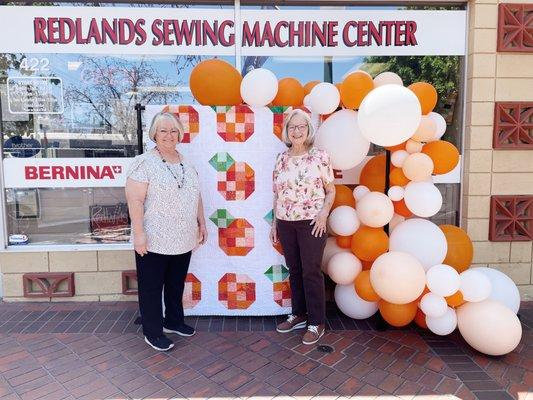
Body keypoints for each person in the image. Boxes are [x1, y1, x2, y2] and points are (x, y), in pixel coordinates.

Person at [125, 112, 207, 352]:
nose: (169, 135)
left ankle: (173, 321)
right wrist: (139, 234)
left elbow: (196, 194)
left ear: (179, 134)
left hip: (183, 236)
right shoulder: (144, 162)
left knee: (175, 283)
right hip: (154, 238)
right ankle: (152, 332)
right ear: (154, 134)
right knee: (151, 287)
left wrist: (201, 222)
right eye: (163, 130)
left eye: (173, 131)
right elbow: (135, 200)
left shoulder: (186, 162)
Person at [271, 108, 336, 345]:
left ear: (309, 129)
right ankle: (298, 313)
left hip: (312, 223)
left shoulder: (320, 157)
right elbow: (277, 193)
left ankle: (316, 322)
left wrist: (323, 215)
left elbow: (331, 190)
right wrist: (274, 222)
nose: (297, 131)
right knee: (294, 269)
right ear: (286, 131)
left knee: (311, 271)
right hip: (286, 222)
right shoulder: (281, 158)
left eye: (301, 126)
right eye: (292, 127)